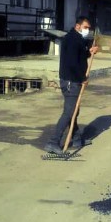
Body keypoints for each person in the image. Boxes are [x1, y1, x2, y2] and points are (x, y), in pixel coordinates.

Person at [44, 16, 99, 155]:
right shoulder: (72, 40)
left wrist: (89, 52)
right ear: (78, 26)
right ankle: (53, 142)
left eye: (89, 28)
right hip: (71, 81)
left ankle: (76, 139)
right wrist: (83, 78)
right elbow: (73, 63)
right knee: (69, 113)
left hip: (74, 80)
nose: (87, 30)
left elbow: (79, 56)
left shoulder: (77, 39)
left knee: (74, 111)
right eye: (85, 27)